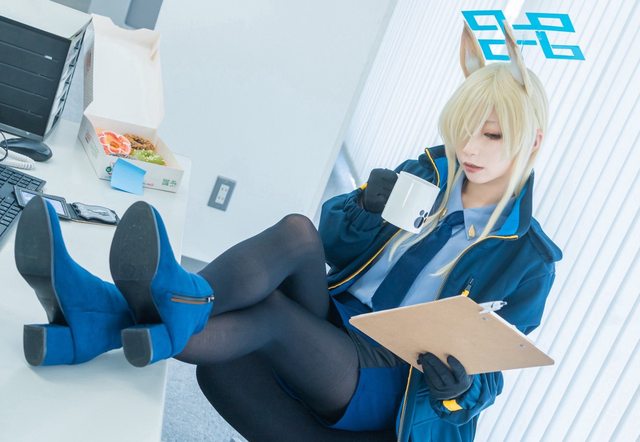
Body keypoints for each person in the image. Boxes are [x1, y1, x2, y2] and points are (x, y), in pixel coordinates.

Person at [14, 21, 562, 442]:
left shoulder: (529, 260)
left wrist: (459, 392)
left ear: (532, 141)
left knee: (269, 315)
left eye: (491, 136)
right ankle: (129, 315)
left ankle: (102, 318)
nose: (468, 147)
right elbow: (333, 243)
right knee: (298, 232)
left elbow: (491, 372)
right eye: (463, 129)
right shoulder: (430, 172)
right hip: (341, 317)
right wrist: (365, 206)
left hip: (395, 377)